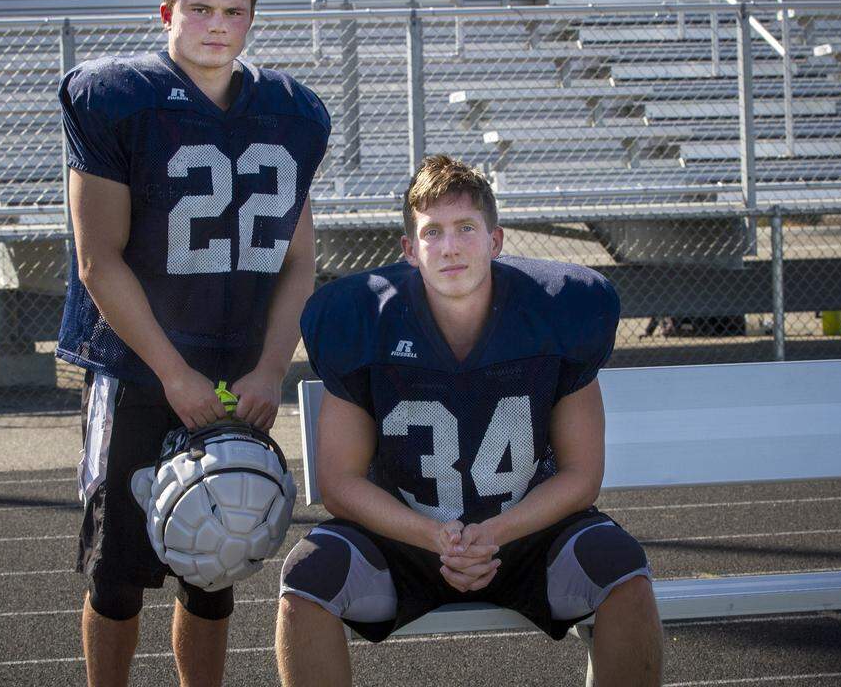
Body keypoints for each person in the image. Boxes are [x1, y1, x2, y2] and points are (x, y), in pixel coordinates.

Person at [56, 0, 330, 687]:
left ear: (251, 19)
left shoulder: (293, 112)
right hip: (139, 368)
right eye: (200, 9)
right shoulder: (117, 97)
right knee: (116, 572)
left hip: (236, 366)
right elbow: (98, 259)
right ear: (167, 11)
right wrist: (171, 372)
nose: (217, 25)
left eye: (234, 12)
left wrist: (273, 365)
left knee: (215, 562)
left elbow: (300, 258)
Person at [276, 155, 662, 686]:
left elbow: (582, 474)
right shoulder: (363, 321)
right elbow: (340, 483)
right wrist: (435, 536)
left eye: (465, 228)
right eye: (432, 232)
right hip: (405, 538)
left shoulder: (558, 310)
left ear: (495, 240)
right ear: (410, 250)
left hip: (528, 534)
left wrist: (493, 533)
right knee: (307, 579)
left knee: (623, 569)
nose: (451, 246)